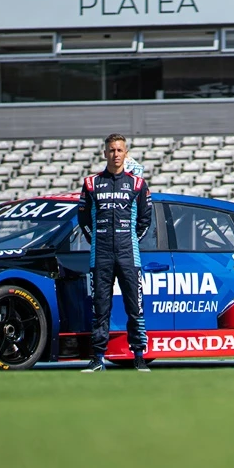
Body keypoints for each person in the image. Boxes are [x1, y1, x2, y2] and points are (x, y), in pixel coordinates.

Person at [78, 133, 152, 372]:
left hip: (129, 254)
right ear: (105, 153)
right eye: (111, 150)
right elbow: (83, 219)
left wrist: (129, 240)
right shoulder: (91, 184)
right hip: (100, 254)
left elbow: (145, 220)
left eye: (120, 150)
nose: (116, 154)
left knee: (135, 306)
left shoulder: (137, 184)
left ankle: (139, 356)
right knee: (100, 307)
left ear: (125, 153)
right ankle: (98, 358)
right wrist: (97, 240)